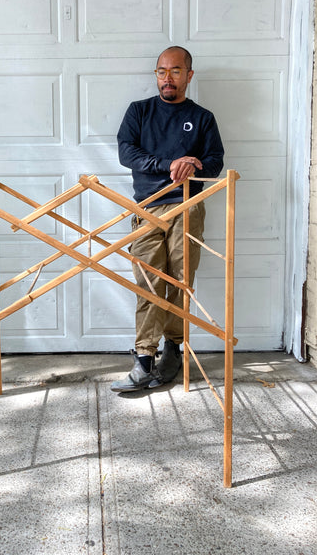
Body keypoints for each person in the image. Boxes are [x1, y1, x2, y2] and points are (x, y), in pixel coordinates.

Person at [111, 46, 224, 393]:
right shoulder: (139, 112)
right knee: (147, 282)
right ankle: (144, 358)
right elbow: (126, 152)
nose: (167, 78)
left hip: (187, 207)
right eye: (161, 71)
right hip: (147, 207)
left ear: (189, 75)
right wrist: (170, 163)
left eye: (175, 71)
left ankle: (173, 350)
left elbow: (216, 161)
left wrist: (196, 164)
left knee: (179, 281)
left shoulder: (202, 117)